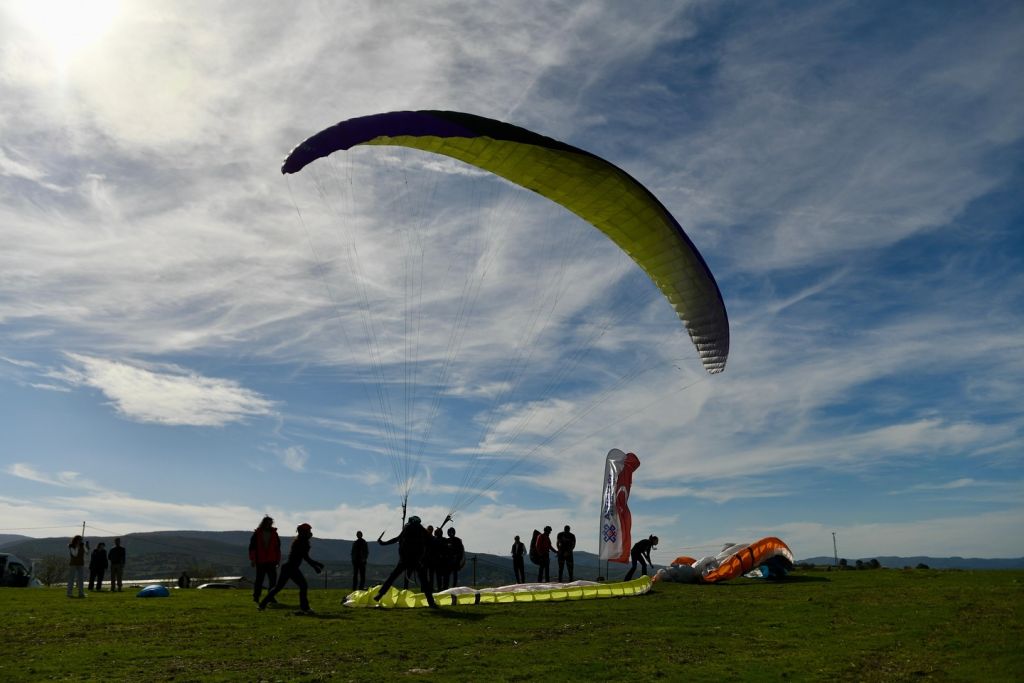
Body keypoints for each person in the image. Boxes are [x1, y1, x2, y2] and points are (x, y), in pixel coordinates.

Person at [259, 523, 324, 614]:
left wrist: (316, 565)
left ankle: (262, 604)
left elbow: (305, 557)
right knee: (303, 586)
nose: (310, 533)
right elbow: (306, 557)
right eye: (309, 531)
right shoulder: (302, 542)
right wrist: (316, 566)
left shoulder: (300, 541)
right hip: (291, 567)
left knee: (278, 587)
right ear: (304, 532)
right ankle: (305, 608)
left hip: (288, 567)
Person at [374, 515, 436, 608]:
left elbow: (396, 539)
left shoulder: (408, 528)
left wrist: (383, 543)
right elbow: (431, 541)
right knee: (424, 581)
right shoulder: (421, 529)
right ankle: (431, 603)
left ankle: (380, 594)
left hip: (405, 559)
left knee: (392, 577)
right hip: (415, 560)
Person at [249, 515, 281, 604]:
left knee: (272, 581)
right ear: (264, 523)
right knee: (259, 580)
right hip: (261, 561)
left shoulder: (274, 534)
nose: (269, 524)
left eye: (270, 523)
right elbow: (252, 548)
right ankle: (256, 597)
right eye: (268, 523)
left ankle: (271, 597)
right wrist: (253, 559)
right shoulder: (257, 533)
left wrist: (278, 560)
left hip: (271, 561)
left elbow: (277, 548)